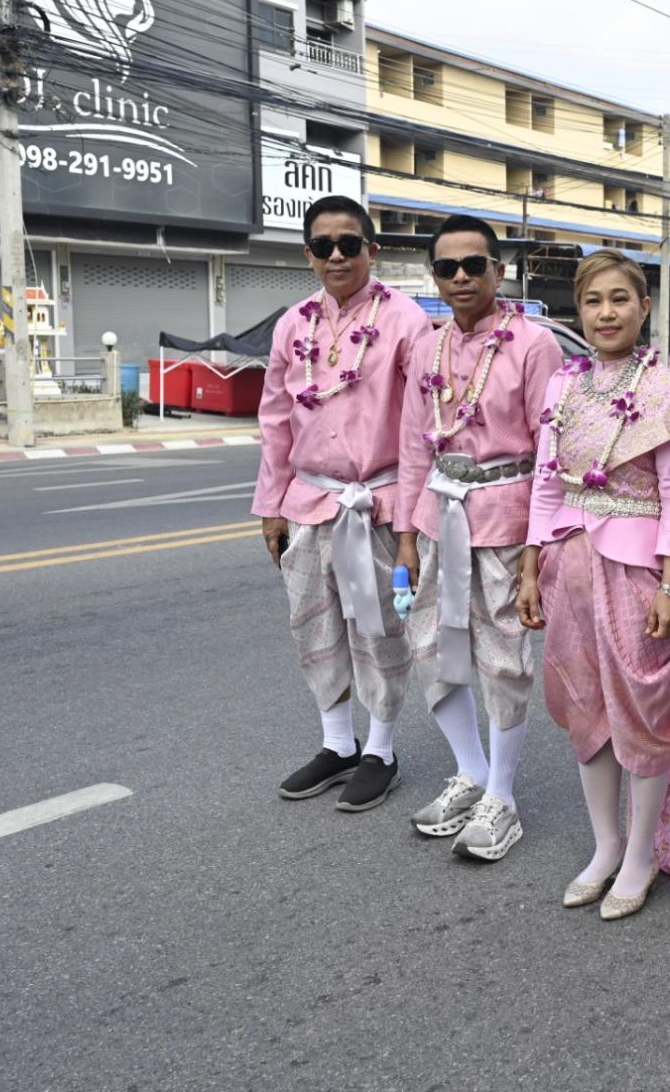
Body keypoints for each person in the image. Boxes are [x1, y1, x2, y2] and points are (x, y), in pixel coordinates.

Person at [518, 250, 670, 919]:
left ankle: (641, 853)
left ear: (644, 307)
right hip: (568, 564)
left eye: (620, 299)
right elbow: (546, 481)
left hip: (637, 569)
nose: (606, 313)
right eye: (594, 301)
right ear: (580, 310)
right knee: (585, 708)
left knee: (642, 710)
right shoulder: (563, 387)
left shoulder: (666, 391)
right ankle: (605, 846)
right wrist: (531, 565)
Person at [255, 196, 433, 810]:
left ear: (371, 250)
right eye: (323, 246)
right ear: (308, 255)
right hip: (308, 500)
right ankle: (337, 743)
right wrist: (270, 505)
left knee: (379, 629)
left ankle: (381, 750)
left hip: (378, 501)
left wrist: (410, 524)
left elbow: (420, 429)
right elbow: (274, 421)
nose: (337, 255)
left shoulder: (406, 321)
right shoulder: (292, 324)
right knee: (314, 625)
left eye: (349, 244)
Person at [397, 215, 564, 859]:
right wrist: (407, 534)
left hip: (505, 516)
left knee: (503, 659)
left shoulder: (533, 345)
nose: (461, 277)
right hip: (438, 514)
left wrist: (537, 551)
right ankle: (469, 771)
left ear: (499, 270)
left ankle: (502, 795)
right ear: (434, 277)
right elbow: (414, 445)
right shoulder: (427, 347)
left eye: (474, 265)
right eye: (447, 267)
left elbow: (549, 454)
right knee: (431, 646)